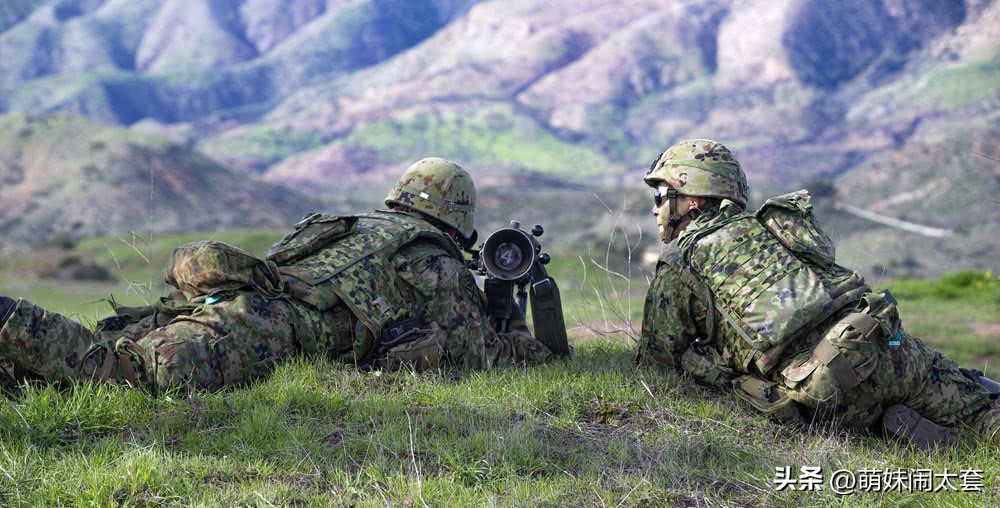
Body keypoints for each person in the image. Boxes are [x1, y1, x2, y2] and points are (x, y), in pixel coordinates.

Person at [0, 157, 557, 392]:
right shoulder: (433, 259)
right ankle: (9, 318)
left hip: (231, 301)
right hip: (267, 328)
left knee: (108, 350)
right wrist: (521, 339)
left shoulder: (348, 223)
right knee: (132, 375)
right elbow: (481, 357)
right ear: (457, 218)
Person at [637, 139, 999, 449]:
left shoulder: (680, 264)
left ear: (692, 200)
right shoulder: (773, 226)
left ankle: (881, 426)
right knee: (982, 407)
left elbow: (658, 360)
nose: (655, 208)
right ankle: (957, 431)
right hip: (884, 346)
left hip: (825, 389)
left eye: (661, 196)